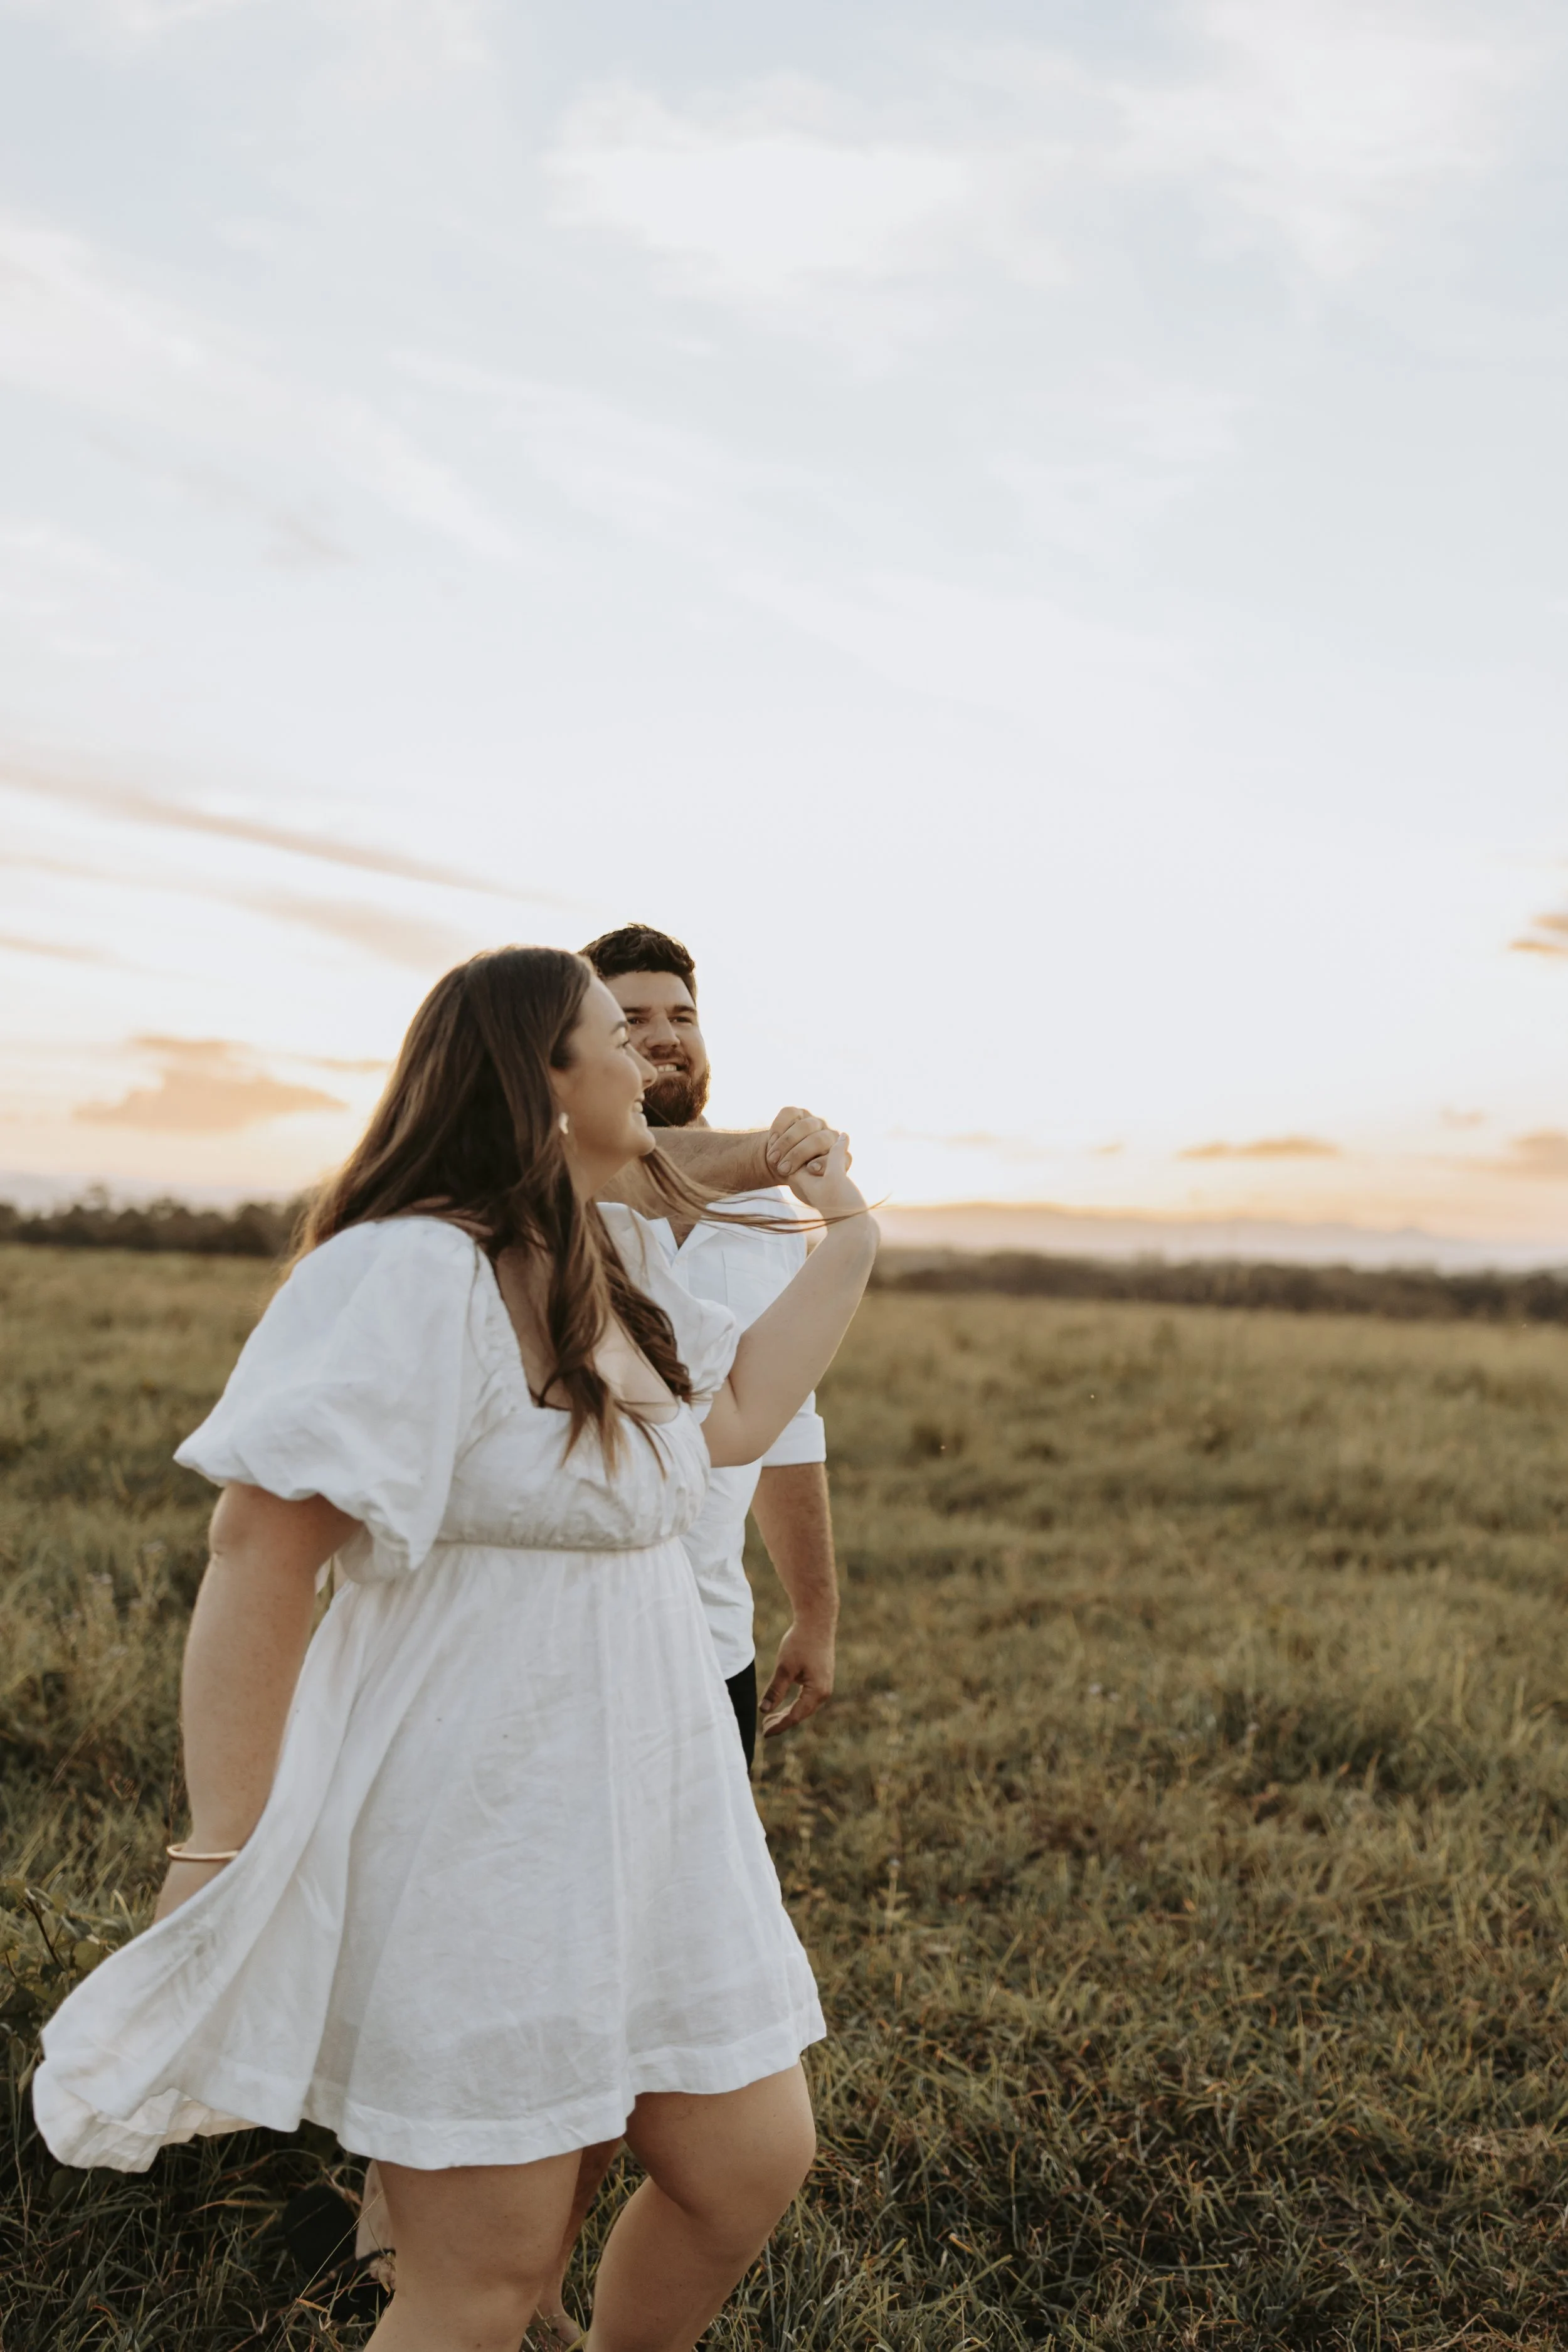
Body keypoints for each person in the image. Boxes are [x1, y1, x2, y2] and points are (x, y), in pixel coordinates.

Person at [33, 945, 877, 2352]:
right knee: (479, 2278)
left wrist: (845, 1237)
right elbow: (260, 1548)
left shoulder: (604, 1263)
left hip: (660, 1815)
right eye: (616, 1036)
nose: (644, 1061)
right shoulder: (409, 1267)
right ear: (541, 1080)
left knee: (744, 2168)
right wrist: (222, 1836)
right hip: (488, 1822)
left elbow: (729, 1422)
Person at [585, 921, 839, 1762]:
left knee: (711, 1888)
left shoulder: (771, 1209)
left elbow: (783, 1418)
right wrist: (780, 1150)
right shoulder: (567, 1187)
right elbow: (649, 1172)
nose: (665, 1036)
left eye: (683, 1016)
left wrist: (815, 1611)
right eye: (632, 1020)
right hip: (585, 1633)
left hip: (715, 1635)